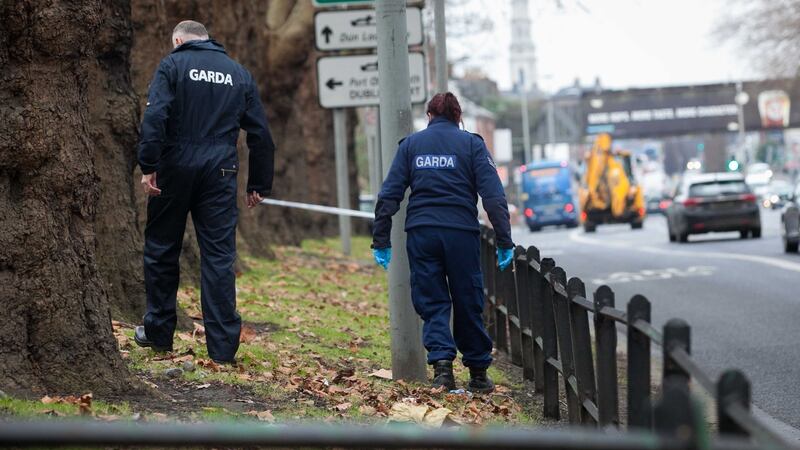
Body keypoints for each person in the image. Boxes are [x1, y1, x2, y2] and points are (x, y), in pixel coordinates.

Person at [133, 20, 275, 364]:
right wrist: (258, 184)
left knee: (162, 250)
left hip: (174, 167)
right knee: (219, 258)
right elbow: (261, 135)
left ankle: (158, 333)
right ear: (208, 40)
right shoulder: (238, 73)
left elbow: (156, 116)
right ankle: (223, 348)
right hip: (220, 171)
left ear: (179, 40)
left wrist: (148, 163)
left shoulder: (173, 64)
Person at [372, 92, 514, 393]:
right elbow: (493, 196)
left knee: (432, 300)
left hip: (422, 234)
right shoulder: (472, 145)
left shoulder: (411, 146)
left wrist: (380, 238)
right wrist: (504, 239)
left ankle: (442, 370)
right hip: (461, 233)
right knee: (468, 298)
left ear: (429, 116)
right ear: (458, 117)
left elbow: (389, 195)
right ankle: (477, 374)